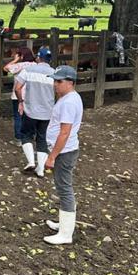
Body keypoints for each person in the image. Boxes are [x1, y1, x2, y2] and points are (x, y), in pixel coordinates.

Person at [43, 65, 83, 245]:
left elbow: (64, 132)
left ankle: (66, 234)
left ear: (70, 82)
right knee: (62, 187)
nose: (55, 84)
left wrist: (52, 156)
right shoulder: (69, 98)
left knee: (65, 189)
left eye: (59, 81)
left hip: (64, 152)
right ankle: (64, 225)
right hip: (66, 150)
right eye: (54, 81)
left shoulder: (68, 102)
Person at [14, 47, 55, 178]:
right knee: (42, 138)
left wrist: (21, 101)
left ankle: (31, 161)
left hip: (31, 110)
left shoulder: (29, 70)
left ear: (38, 57)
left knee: (26, 135)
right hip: (47, 112)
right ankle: (41, 169)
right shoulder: (54, 73)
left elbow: (17, 88)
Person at [4, 46, 37, 146]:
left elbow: (5, 68)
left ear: (21, 56)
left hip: (18, 95)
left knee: (18, 116)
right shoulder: (35, 65)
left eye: (17, 54)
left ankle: (19, 138)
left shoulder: (19, 65)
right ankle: (30, 136)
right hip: (31, 95)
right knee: (30, 115)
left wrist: (15, 60)